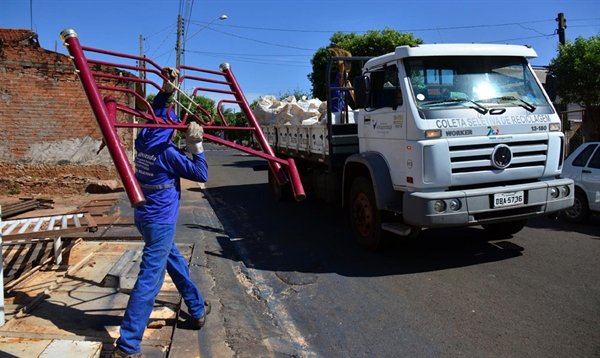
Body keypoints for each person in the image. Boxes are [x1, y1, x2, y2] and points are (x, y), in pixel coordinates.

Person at [112, 67, 210, 358]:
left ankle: (196, 307)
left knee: (175, 262)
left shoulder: (144, 139)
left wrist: (168, 89)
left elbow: (155, 111)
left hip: (144, 217)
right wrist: (196, 143)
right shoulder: (169, 153)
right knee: (149, 281)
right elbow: (201, 173)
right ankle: (128, 346)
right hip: (160, 220)